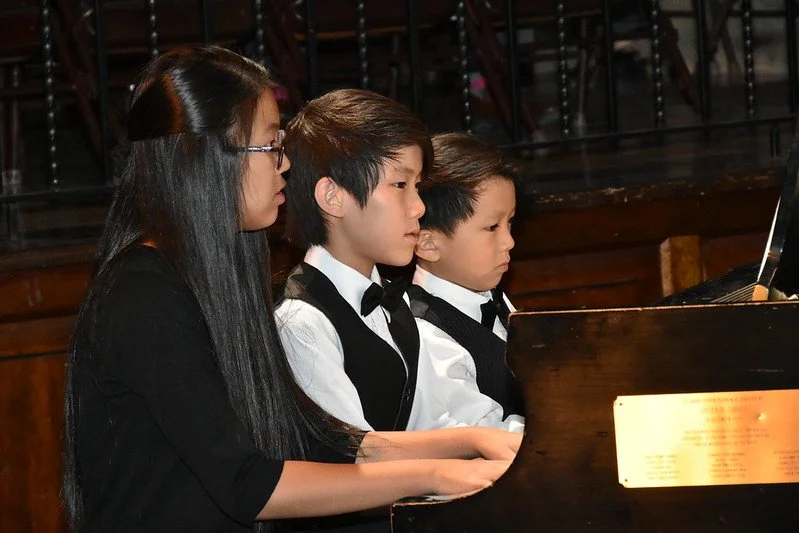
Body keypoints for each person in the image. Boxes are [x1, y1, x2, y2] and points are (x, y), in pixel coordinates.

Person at [62, 47, 519, 533]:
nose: (284, 165)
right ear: (208, 156)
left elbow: (319, 436)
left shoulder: (215, 278)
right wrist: (441, 474)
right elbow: (249, 484)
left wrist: (474, 442)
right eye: (270, 145)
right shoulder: (142, 294)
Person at [276, 88, 431, 433]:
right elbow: (357, 454)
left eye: (418, 186)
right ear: (333, 197)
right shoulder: (302, 323)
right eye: (400, 184)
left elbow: (435, 418)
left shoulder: (394, 298)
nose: (419, 207)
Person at [408, 132, 525, 432]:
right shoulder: (427, 336)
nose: (509, 241)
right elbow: (482, 435)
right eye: (491, 227)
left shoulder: (491, 296)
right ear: (428, 245)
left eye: (510, 222)